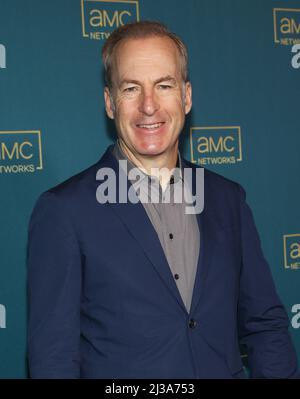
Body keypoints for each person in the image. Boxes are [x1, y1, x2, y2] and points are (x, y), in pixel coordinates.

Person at [27, 21, 299, 379]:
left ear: (186, 97)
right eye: (131, 89)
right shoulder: (64, 211)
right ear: (110, 103)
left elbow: (265, 325)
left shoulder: (227, 199)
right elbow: (53, 359)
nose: (149, 106)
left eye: (164, 85)